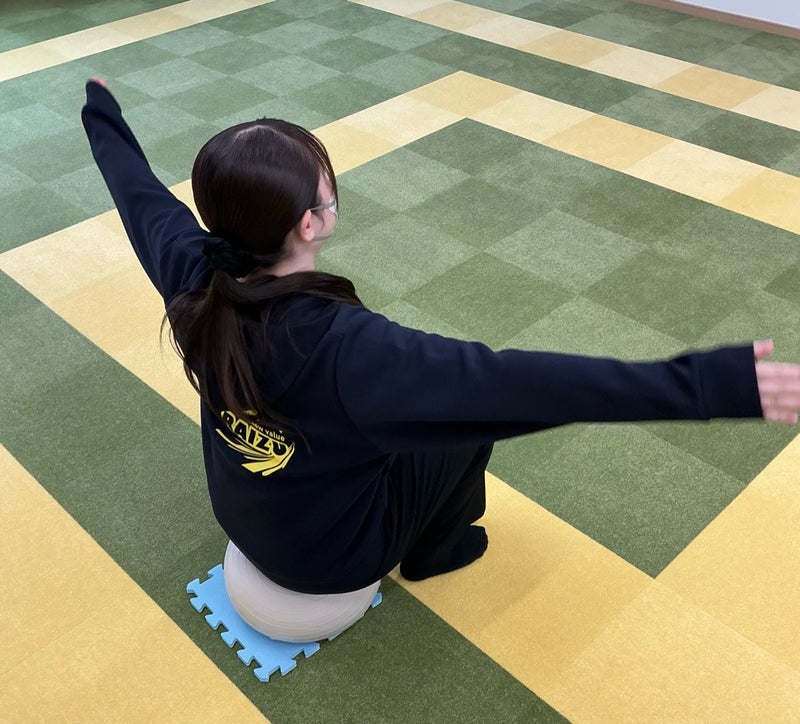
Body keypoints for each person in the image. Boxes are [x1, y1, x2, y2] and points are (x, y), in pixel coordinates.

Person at [82, 78, 800, 596]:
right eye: (329, 193)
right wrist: (705, 384)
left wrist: (101, 113)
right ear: (310, 223)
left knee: (392, 423)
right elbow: (518, 386)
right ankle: (439, 551)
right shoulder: (350, 349)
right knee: (460, 430)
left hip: (241, 516)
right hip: (330, 562)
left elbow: (139, 195)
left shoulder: (195, 274)